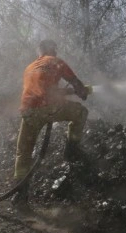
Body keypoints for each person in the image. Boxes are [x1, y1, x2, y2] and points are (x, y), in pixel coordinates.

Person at [12, 39, 89, 208]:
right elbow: (76, 83)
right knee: (81, 112)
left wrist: (69, 92)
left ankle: (20, 194)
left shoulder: (30, 68)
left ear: (38, 52)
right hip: (48, 108)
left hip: (28, 112)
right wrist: (82, 91)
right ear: (52, 49)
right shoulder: (56, 62)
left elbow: (46, 90)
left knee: (23, 152)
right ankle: (72, 149)